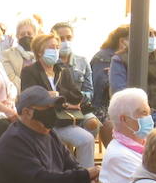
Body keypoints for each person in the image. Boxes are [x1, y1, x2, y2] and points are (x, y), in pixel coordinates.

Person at [20, 31, 98, 167]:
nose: (56, 51)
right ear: (39, 52)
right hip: (45, 120)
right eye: (51, 47)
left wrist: (58, 96)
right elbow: (28, 97)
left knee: (90, 133)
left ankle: (84, 177)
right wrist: (47, 96)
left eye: (57, 47)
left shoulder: (63, 71)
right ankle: (79, 174)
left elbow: (76, 95)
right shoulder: (30, 71)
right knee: (85, 139)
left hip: (66, 117)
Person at [108, 27, 156, 129]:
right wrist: (140, 114)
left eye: (153, 34)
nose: (151, 37)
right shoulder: (119, 59)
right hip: (135, 116)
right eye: (148, 34)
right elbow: (119, 94)